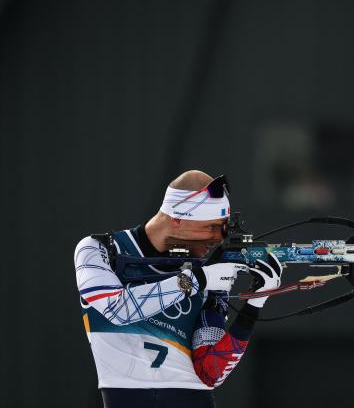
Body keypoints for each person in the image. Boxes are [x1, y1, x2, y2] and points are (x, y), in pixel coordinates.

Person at [74, 170, 282, 408]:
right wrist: (197, 281)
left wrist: (255, 302)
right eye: (211, 227)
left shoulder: (208, 269)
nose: (217, 238)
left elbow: (212, 372)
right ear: (177, 219)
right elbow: (117, 309)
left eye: (222, 229)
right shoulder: (100, 249)